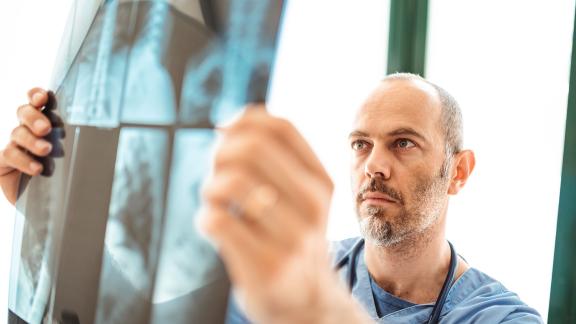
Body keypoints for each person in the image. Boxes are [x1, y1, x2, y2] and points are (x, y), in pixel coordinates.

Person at [1, 73, 543, 323]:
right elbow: (131, 317)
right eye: (361, 144)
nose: (374, 164)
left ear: (459, 172)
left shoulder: (496, 317)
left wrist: (314, 311)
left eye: (403, 143)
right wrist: (38, 203)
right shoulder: (304, 270)